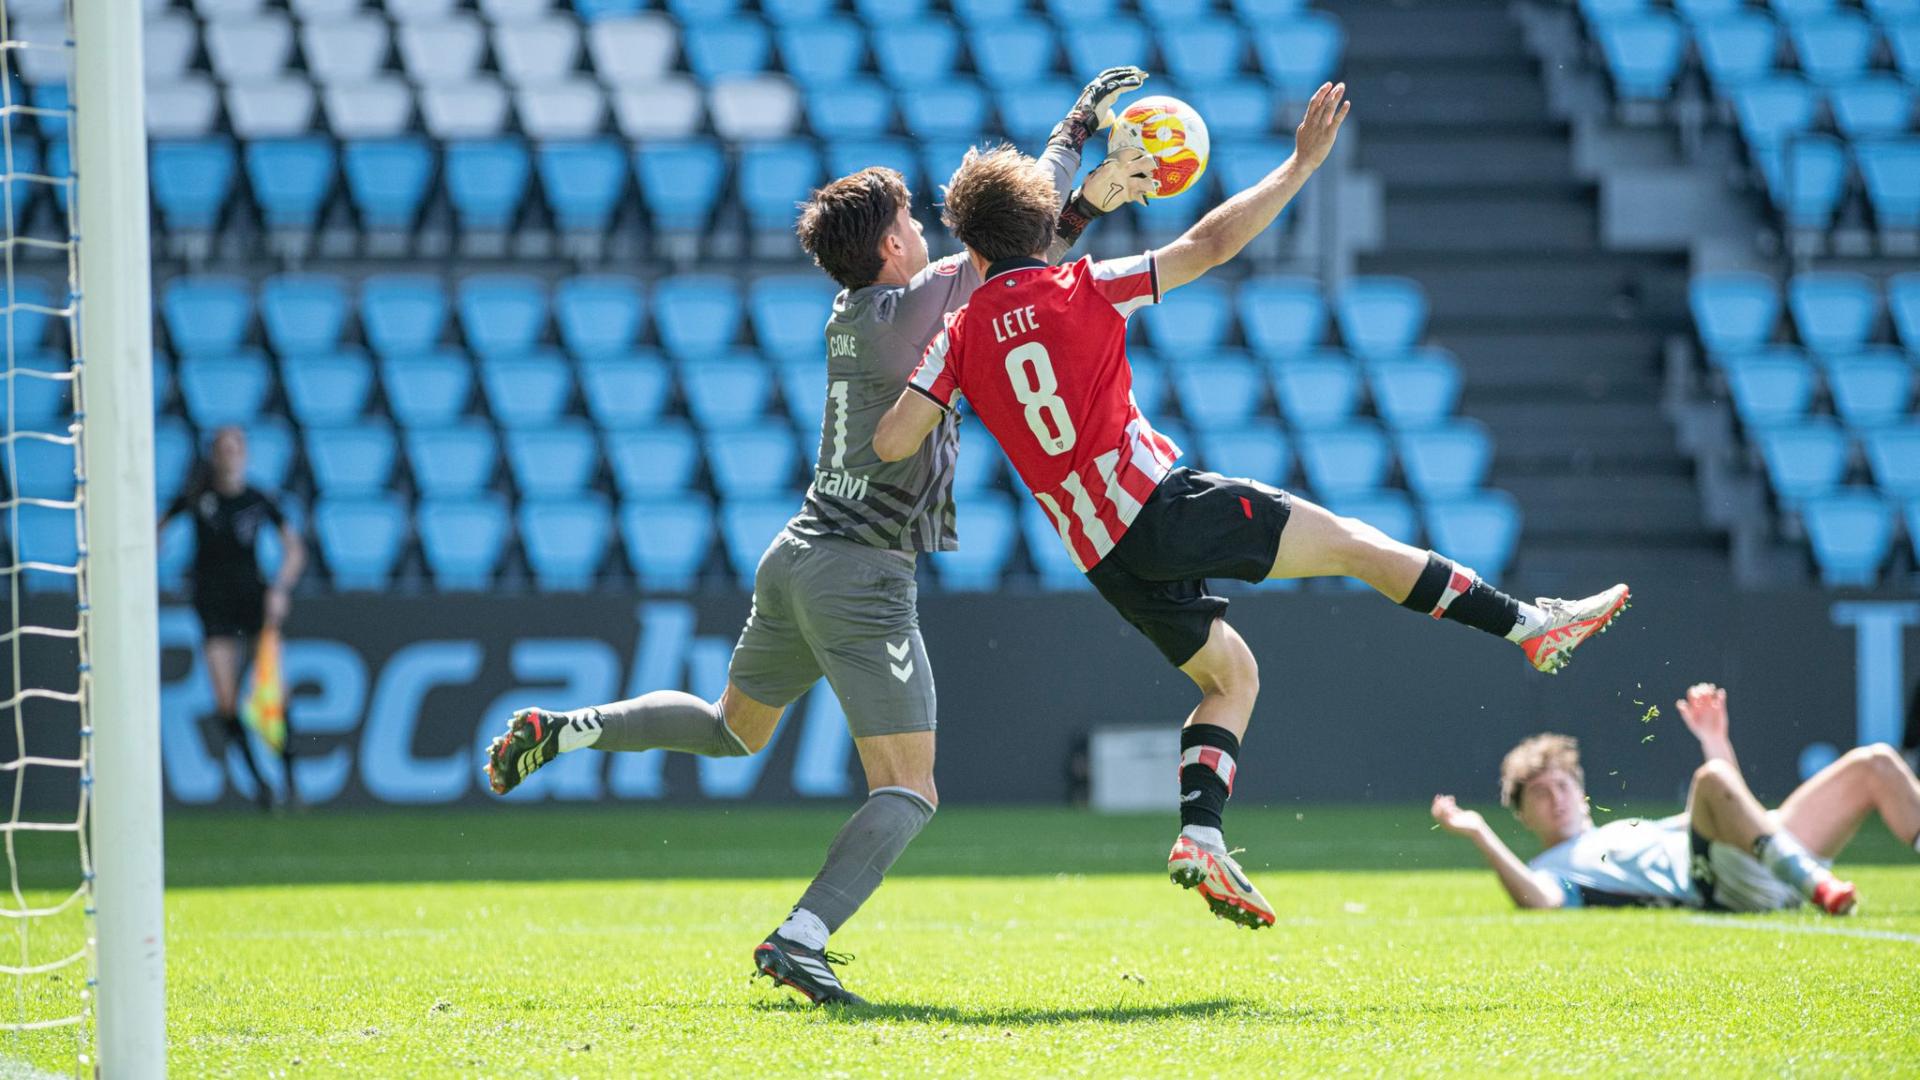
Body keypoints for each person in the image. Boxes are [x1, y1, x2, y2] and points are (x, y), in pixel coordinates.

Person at [869, 82, 1632, 932]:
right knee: (1353, 544)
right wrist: (1300, 165)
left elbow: (893, 442)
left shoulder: (960, 335)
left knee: (1230, 678)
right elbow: (1209, 244)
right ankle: (1530, 627)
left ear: (969, 246)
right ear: (1038, 227)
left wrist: (945, 386)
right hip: (1160, 506)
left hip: (1104, 556)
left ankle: (1201, 836)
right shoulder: (1084, 287)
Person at [483, 68, 1158, 1006]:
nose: (925, 230)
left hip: (798, 553)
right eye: (912, 221)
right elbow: (1019, 239)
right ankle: (802, 937)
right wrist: (1074, 135)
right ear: (889, 245)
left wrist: (1081, 199)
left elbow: (1014, 268)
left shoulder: (858, 317)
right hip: (861, 574)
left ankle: (569, 728)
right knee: (910, 788)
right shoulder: (919, 303)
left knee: (730, 729)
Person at [1431, 682, 1920, 912]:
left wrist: (1713, 737)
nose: (1555, 799)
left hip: (1757, 860)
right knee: (1711, 779)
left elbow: (1735, 812)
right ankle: (1816, 883)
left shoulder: (1625, 832)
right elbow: (1541, 903)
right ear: (1522, 816)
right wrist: (1479, 833)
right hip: (1721, 887)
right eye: (1539, 794)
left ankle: (1808, 878)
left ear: (1583, 795)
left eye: (1562, 786)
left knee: (1875, 763)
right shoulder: (1552, 868)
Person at [158, 425, 306, 810]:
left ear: (245, 454)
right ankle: (260, 786)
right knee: (226, 701)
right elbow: (157, 531)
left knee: (274, 690)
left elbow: (294, 549)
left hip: (254, 601)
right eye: (223, 449)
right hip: (213, 604)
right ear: (214, 455)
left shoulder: (258, 499)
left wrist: (280, 588)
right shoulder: (197, 497)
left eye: (235, 448)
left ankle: (291, 781)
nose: (230, 456)